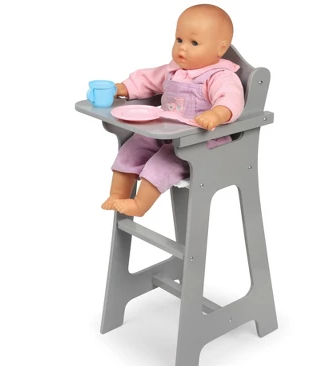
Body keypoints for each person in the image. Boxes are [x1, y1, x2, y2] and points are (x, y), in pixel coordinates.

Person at [101, 4, 244, 217]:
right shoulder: (174, 71)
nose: (182, 48)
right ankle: (117, 194)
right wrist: (124, 88)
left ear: (220, 49)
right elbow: (148, 79)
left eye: (194, 43)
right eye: (179, 40)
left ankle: (140, 205)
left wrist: (217, 114)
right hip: (166, 132)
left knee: (163, 162)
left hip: (200, 141)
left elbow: (231, 97)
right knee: (133, 146)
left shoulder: (220, 76)